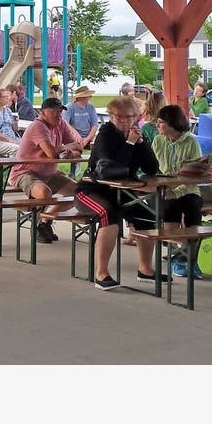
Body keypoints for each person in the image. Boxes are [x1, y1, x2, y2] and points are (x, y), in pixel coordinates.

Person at [74, 96, 160, 290]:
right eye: (119, 117)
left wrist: (141, 144)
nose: (125, 121)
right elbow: (109, 167)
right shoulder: (106, 133)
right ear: (111, 116)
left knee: (147, 216)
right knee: (108, 214)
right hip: (91, 191)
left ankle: (145, 269)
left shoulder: (135, 134)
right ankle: (101, 273)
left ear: (137, 117)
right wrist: (129, 144)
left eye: (129, 117)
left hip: (121, 193)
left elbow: (152, 168)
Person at [134, 104, 207, 280]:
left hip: (187, 188)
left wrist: (177, 190)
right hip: (163, 189)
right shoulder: (158, 141)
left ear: (172, 123)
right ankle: (178, 253)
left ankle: (189, 257)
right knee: (165, 208)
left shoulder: (190, 141)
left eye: (160, 122)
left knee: (192, 206)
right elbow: (153, 169)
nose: (157, 125)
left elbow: (195, 174)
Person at [8, 97, 85, 244]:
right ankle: (37, 227)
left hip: (50, 173)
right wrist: (67, 148)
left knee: (79, 193)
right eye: (55, 111)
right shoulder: (38, 126)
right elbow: (51, 153)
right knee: (44, 193)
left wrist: (72, 150)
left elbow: (79, 147)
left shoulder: (61, 124)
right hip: (25, 172)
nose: (58, 115)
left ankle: (46, 221)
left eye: (60, 111)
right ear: (43, 112)